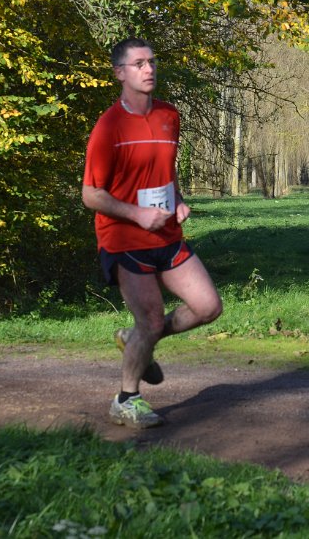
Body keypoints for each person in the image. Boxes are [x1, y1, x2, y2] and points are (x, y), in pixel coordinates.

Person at [82, 37, 223, 428]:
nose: (149, 69)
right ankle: (126, 399)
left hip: (166, 234)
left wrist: (178, 199)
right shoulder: (109, 126)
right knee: (150, 318)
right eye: (139, 64)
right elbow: (90, 195)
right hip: (124, 238)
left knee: (208, 307)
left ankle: (137, 340)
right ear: (120, 73)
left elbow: (166, 170)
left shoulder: (168, 115)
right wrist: (137, 214)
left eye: (152, 62)